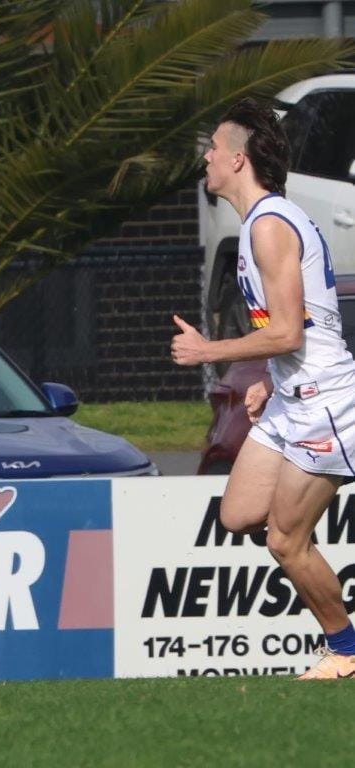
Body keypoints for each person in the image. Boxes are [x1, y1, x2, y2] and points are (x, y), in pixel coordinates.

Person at [172, 98, 355, 679]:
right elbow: (292, 336)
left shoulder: (270, 226)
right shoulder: (259, 224)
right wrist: (272, 386)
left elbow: (284, 330)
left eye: (214, 148)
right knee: (239, 514)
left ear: (238, 159)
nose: (207, 157)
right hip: (291, 397)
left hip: (325, 401)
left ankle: (346, 651)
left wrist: (208, 351)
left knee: (284, 541)